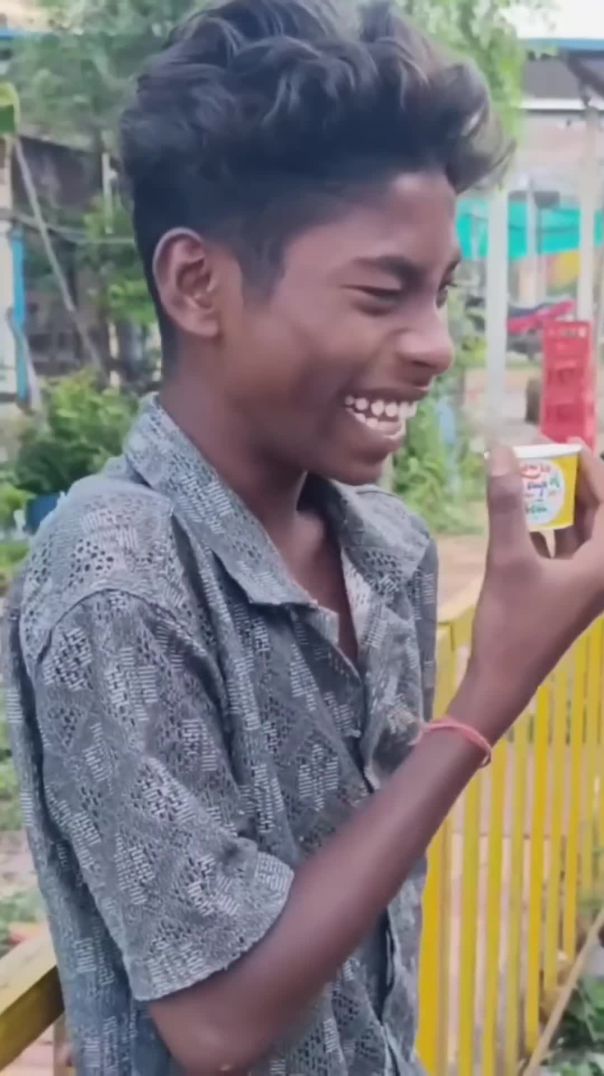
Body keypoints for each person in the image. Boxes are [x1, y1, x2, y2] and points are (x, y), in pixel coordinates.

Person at [4, 2, 604, 1074]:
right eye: (382, 294)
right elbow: (218, 1023)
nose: (433, 345)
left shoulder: (387, 548)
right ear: (198, 285)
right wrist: (482, 703)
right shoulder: (116, 577)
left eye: (440, 295)